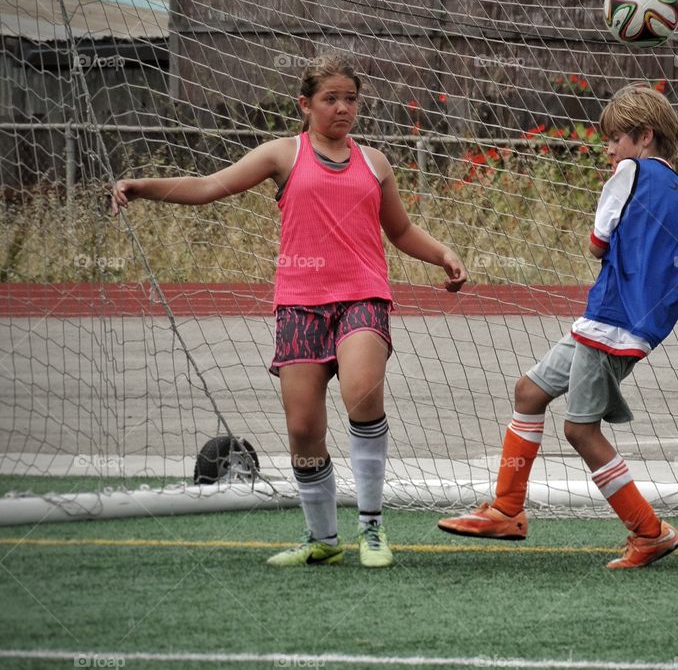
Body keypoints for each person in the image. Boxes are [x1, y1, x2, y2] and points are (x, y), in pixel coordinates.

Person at [112, 52, 467, 568]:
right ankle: (323, 538)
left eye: (351, 99)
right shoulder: (283, 153)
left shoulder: (375, 162)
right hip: (299, 305)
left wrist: (442, 253)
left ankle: (372, 530)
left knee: (360, 396)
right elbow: (211, 186)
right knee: (303, 429)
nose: (342, 108)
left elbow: (401, 231)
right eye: (331, 99)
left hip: (362, 297)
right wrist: (142, 188)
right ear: (305, 104)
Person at [437, 83, 678, 568]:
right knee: (529, 392)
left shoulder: (629, 172)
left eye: (615, 138)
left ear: (643, 136)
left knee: (580, 430)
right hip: (619, 328)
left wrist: (610, 241)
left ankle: (649, 531)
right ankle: (508, 509)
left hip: (610, 321)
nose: (609, 149)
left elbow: (596, 245)